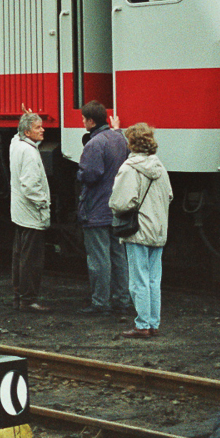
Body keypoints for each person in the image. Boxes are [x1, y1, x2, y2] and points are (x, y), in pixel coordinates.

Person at [108, 123, 173, 339]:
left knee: (138, 280)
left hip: (138, 230)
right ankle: (153, 322)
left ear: (131, 143)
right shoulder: (160, 167)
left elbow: (120, 203)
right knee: (155, 279)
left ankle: (142, 324)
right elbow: (169, 196)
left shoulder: (129, 168)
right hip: (158, 229)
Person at [77, 101, 129, 315]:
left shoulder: (94, 144)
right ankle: (123, 300)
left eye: (83, 119)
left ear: (90, 121)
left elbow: (91, 175)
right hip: (116, 208)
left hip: (96, 208)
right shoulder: (119, 138)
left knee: (99, 258)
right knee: (119, 255)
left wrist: (79, 173)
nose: (82, 122)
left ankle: (100, 303)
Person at [10, 111, 51, 312]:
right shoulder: (29, 152)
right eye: (37, 127)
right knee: (32, 259)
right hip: (31, 212)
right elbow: (30, 186)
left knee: (20, 255)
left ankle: (19, 297)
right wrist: (44, 204)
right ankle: (28, 300)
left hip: (19, 212)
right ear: (27, 131)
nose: (42, 129)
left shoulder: (16, 144)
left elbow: (15, 134)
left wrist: (24, 117)